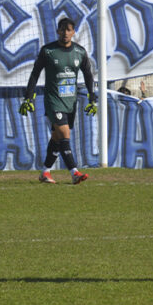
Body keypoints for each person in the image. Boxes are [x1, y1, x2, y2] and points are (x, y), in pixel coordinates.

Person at [20, 18, 96, 185]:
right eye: (62, 30)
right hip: (53, 101)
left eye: (69, 30)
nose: (65, 33)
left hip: (71, 101)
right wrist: (28, 96)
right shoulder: (48, 51)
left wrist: (92, 95)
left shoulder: (80, 52)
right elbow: (35, 73)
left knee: (56, 137)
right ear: (58, 31)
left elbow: (88, 74)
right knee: (64, 135)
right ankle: (74, 172)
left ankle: (45, 172)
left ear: (74, 32)